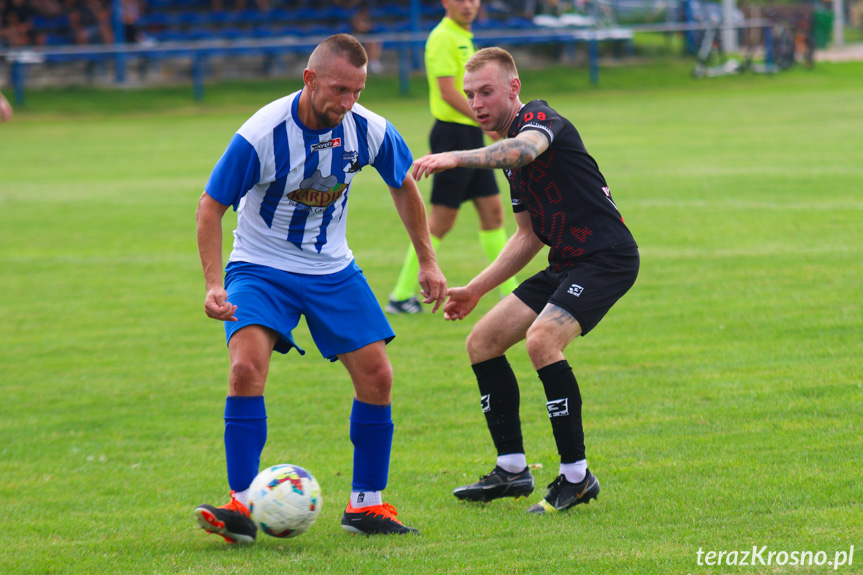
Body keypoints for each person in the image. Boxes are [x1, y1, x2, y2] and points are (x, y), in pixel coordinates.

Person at [194, 34, 447, 542]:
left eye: (357, 90)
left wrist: (427, 260)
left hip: (332, 268)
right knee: (246, 367)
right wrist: (213, 283)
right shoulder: (262, 134)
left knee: (377, 375)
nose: (348, 102)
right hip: (261, 266)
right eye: (339, 89)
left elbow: (404, 184)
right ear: (309, 80)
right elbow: (210, 206)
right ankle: (240, 505)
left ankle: (367, 505)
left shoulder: (369, 129)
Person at [412, 47, 639, 514]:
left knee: (541, 341)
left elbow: (525, 148)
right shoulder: (510, 161)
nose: (476, 103)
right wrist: (475, 288)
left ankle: (576, 476)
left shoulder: (538, 121)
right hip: (567, 262)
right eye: (470, 94)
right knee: (483, 341)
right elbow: (528, 236)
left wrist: (457, 156)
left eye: (487, 92)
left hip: (606, 257)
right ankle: (512, 468)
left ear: (513, 88)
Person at [386, 0, 517, 315]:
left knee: (493, 214)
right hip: (453, 135)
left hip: (468, 133)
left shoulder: (462, 35)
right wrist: (485, 122)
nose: (468, 5)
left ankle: (510, 293)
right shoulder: (443, 37)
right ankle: (401, 296)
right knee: (442, 221)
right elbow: (448, 92)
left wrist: (481, 127)